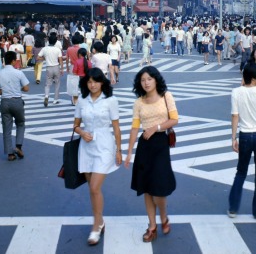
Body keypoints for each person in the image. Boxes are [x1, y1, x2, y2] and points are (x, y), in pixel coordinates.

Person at [125, 66, 178, 243]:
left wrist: (155, 128)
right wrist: (129, 152)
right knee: (147, 189)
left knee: (159, 190)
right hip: (144, 147)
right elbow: (134, 128)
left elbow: (174, 119)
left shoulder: (166, 96)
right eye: (142, 80)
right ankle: (152, 226)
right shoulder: (138, 102)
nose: (146, 83)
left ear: (156, 79)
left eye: (149, 79)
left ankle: (163, 216)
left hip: (160, 145)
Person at [73, 68, 122, 245]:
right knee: (92, 189)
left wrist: (119, 150)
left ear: (102, 82)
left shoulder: (110, 100)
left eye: (96, 81)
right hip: (86, 147)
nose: (92, 84)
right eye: (89, 81)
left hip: (104, 146)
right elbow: (76, 125)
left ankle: (96, 226)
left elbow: (116, 127)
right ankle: (100, 220)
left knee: (94, 187)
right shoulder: (82, 101)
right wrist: (81, 132)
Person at [228, 63, 256, 220]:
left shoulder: (236, 92)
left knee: (241, 172)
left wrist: (234, 138)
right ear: (253, 78)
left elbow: (235, 116)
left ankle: (233, 208)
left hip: (245, 135)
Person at [0, 51, 30, 161]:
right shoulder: (18, 73)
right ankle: (18, 146)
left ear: (4, 60)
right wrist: (17, 89)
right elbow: (26, 88)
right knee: (20, 123)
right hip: (17, 101)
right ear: (13, 61)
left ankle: (10, 154)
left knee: (6, 128)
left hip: (5, 102)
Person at [37, 33, 64, 107]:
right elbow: (60, 60)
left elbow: (38, 58)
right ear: (56, 42)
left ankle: (46, 96)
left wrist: (44, 58)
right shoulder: (57, 49)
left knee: (48, 84)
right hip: (56, 67)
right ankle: (55, 100)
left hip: (48, 67)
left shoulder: (44, 49)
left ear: (48, 41)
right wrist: (62, 69)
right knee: (57, 83)